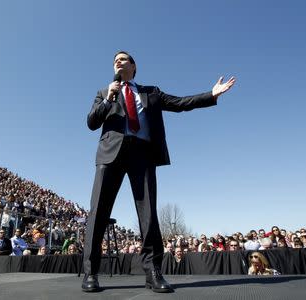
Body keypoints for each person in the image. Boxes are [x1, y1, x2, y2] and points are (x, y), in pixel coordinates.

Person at [82, 50, 235, 293]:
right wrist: (110, 98)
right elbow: (91, 122)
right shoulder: (104, 92)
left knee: (148, 215)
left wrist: (211, 95)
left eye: (123, 59)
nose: (117, 62)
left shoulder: (151, 92)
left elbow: (180, 103)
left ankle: (153, 272)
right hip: (110, 156)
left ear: (134, 66)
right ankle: (91, 273)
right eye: (114, 60)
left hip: (142, 155)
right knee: (98, 212)